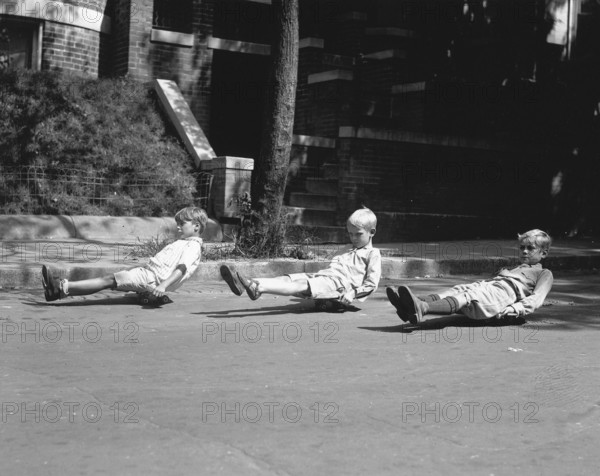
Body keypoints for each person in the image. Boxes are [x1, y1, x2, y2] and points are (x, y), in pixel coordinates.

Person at [387, 229, 553, 324]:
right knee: (458, 289)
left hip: (504, 294)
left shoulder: (543, 273)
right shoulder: (516, 267)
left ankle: (423, 308)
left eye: (530, 248)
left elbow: (537, 298)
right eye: (522, 247)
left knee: (468, 296)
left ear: (543, 253)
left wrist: (515, 309)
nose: (524, 251)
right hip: (489, 287)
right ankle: (410, 304)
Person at [41, 206, 207, 302]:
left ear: (196, 226)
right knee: (111, 281)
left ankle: (61, 287)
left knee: (108, 280)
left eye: (182, 224)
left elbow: (182, 268)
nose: (178, 227)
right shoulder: (186, 243)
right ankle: (59, 291)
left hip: (152, 279)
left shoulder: (192, 247)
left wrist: (163, 286)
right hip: (149, 276)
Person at [221, 208, 381, 306]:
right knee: (287, 279)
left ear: (372, 233)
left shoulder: (373, 253)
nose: (353, 238)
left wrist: (352, 294)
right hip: (323, 276)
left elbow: (371, 284)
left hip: (339, 285)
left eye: (358, 234)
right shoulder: (347, 248)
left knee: (300, 285)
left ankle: (258, 287)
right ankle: (250, 283)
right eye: (350, 234)